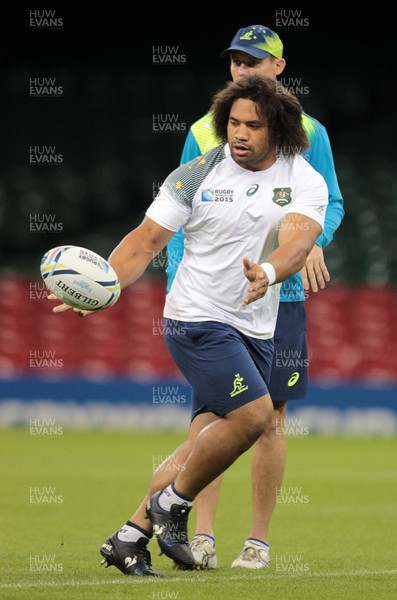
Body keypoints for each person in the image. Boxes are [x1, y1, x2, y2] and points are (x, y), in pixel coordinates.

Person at [51, 74, 328, 576]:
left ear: (280, 130)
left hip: (256, 325)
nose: (239, 134)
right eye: (234, 124)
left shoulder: (305, 180)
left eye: (253, 125)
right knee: (254, 416)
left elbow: (297, 242)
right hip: (195, 319)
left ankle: (130, 537)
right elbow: (146, 241)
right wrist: (104, 287)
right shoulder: (194, 174)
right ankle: (172, 505)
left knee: (207, 436)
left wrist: (267, 272)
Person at [165, 24, 344, 569]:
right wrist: (181, 284)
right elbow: (178, 211)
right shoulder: (204, 131)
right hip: (212, 296)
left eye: (256, 60)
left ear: (278, 68)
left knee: (271, 417)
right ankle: (201, 535)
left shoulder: (311, 132)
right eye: (237, 61)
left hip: (281, 293)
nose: (245, 69)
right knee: (214, 416)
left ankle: (258, 541)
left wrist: (308, 241)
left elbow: (330, 203)